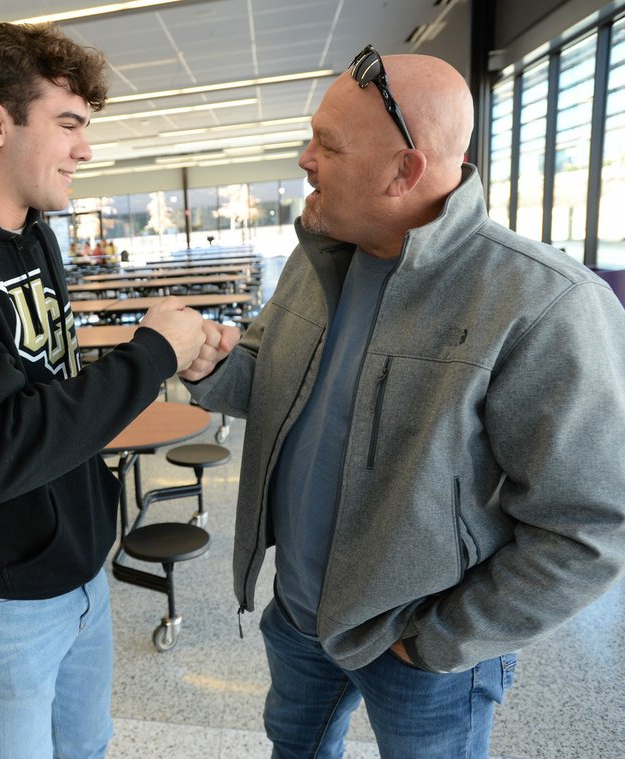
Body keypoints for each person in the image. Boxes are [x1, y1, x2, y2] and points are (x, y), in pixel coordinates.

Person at [180, 44, 625, 758]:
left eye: (326, 144)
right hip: (298, 616)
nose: (304, 159)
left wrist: (440, 639)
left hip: (418, 649)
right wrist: (214, 362)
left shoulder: (541, 304)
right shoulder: (319, 254)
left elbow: (589, 524)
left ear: (404, 170)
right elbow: (272, 382)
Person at [0, 22, 206, 759]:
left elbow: (53, 384)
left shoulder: (33, 232)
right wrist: (149, 357)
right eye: (68, 123)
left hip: (80, 570)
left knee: (85, 747)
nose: (85, 147)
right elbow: (0, 450)